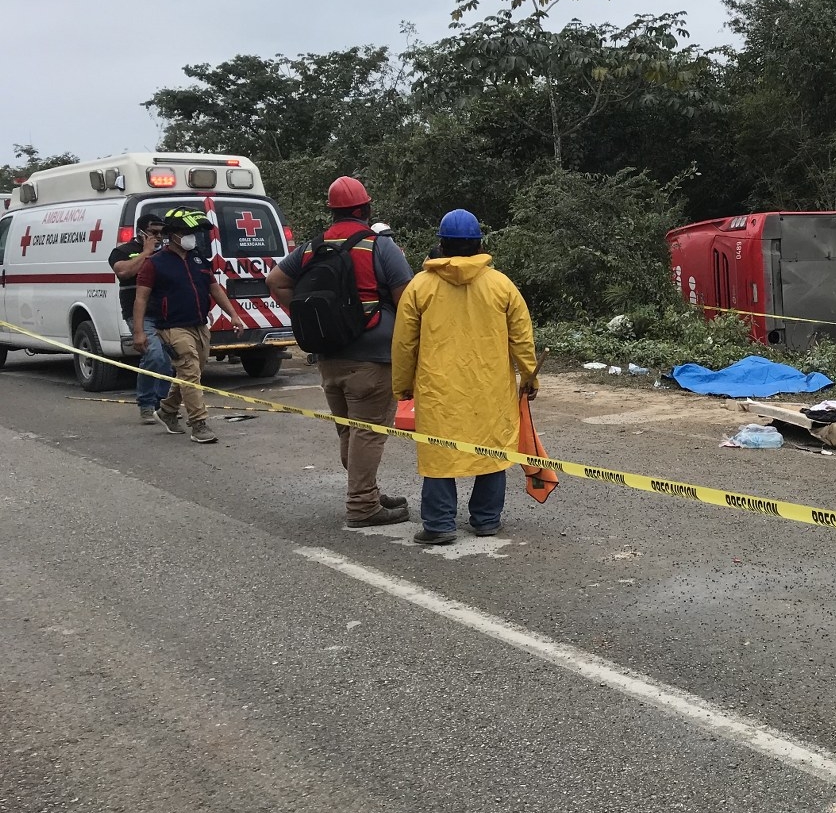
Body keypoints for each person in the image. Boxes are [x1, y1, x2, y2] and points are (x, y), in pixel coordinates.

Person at [267, 176, 414, 529]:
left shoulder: (311, 247)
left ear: (332, 211)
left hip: (329, 357)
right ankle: (363, 505)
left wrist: (314, 317)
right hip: (372, 358)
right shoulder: (378, 246)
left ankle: (367, 492)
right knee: (368, 432)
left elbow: (274, 281)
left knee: (350, 431)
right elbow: (409, 302)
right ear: (366, 208)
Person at [392, 209, 539, 546]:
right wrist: (530, 377)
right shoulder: (501, 285)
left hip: (439, 390)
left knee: (439, 452)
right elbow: (521, 337)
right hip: (490, 388)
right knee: (492, 448)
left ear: (441, 244)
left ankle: (440, 525)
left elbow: (404, 343)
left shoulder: (420, 287)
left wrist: (402, 385)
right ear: (478, 244)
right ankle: (486, 520)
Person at [131, 208, 247, 444]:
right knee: (189, 371)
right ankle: (199, 423)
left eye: (193, 233)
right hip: (172, 327)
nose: (191, 237)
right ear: (172, 234)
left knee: (190, 373)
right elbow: (141, 298)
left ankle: (167, 411)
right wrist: (139, 332)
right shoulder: (155, 264)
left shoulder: (198, 259)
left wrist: (234, 315)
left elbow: (215, 289)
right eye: (186, 232)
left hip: (199, 325)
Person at [108, 211, 172, 422]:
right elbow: (123, 272)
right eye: (154, 232)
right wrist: (146, 252)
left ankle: (162, 403)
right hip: (139, 314)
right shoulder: (122, 251)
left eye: (162, 233)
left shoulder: (167, 253)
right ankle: (146, 404)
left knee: (167, 361)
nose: (159, 237)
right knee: (153, 355)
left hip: (165, 313)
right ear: (141, 232)